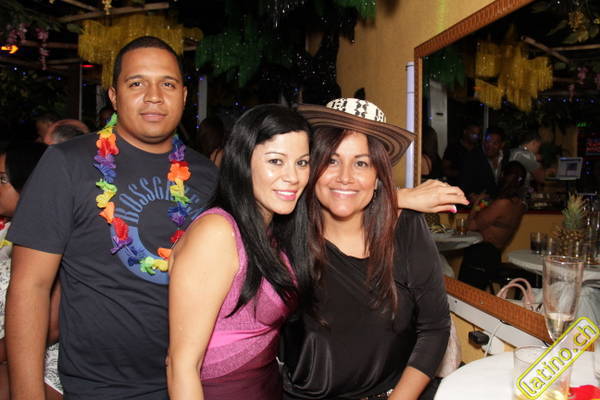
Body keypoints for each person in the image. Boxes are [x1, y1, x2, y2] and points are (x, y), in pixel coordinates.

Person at [5, 36, 218, 399]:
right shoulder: (67, 164)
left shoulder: (208, 175)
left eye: (168, 84)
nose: (154, 96)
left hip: (194, 383)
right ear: (114, 96)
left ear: (184, 96)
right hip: (99, 388)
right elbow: (30, 286)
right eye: (137, 83)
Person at [281, 98, 451, 400]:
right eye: (332, 160)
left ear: (377, 177)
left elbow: (434, 328)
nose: (345, 176)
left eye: (361, 163)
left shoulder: (405, 228)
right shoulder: (286, 233)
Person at [168, 104, 313, 399]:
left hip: (267, 387)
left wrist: (399, 198)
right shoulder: (217, 233)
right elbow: (181, 366)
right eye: (276, 161)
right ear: (242, 162)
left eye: (302, 162)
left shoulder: (274, 228)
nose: (293, 177)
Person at [0, 142, 62, 400]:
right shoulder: (9, 230)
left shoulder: (53, 239)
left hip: (39, 361)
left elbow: (52, 326)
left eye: (2, 179)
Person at [458, 161, 528, 290]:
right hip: (494, 255)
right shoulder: (520, 205)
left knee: (464, 293)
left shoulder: (502, 204)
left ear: (503, 176)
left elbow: (471, 226)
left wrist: (477, 203)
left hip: (481, 256)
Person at [458, 127, 506, 203]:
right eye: (487, 141)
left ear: (502, 144)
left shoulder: (507, 157)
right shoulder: (472, 157)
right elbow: (464, 184)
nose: (489, 145)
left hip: (500, 204)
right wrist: (472, 196)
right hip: (479, 205)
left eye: (495, 143)